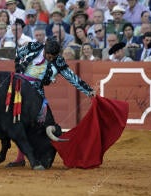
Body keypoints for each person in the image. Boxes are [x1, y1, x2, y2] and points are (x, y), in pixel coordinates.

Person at [6, 37, 95, 167]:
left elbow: (72, 77)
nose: (51, 58)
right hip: (20, 89)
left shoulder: (58, 61)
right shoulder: (34, 47)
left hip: (36, 94)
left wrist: (88, 91)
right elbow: (18, 54)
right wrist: (19, 70)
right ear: (45, 49)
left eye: (53, 56)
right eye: (49, 55)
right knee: (17, 122)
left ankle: (40, 155)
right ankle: (20, 157)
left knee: (41, 123)